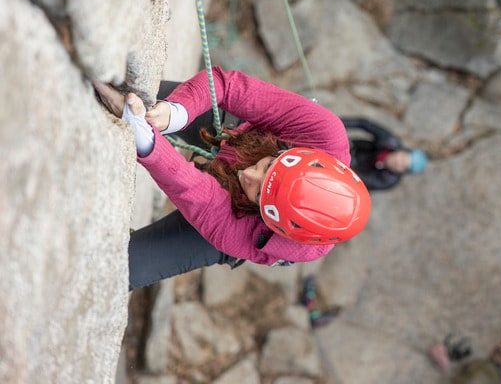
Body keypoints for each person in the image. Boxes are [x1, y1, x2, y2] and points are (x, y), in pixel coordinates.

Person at [93, 66, 371, 291]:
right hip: (238, 136)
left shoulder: (283, 241)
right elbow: (228, 87)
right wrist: (176, 112)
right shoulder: (324, 133)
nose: (249, 175)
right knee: (139, 96)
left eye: (260, 192)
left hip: (233, 220)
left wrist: (147, 141)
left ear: (273, 221)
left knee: (113, 273)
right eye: (268, 167)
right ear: (295, 155)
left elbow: (208, 204)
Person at [341, 117, 428, 191]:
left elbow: (358, 180)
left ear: (402, 172)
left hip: (347, 171)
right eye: (403, 158)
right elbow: (363, 123)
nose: (398, 162)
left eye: (403, 166)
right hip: (352, 148)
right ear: (402, 151)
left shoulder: (388, 180)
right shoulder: (389, 141)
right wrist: (337, 125)